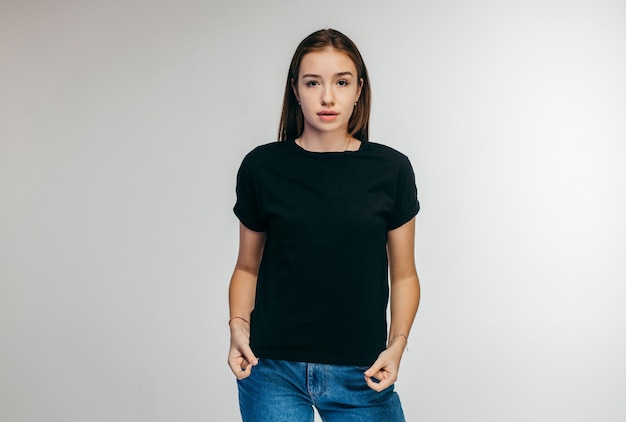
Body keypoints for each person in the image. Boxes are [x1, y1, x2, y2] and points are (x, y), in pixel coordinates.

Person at [227, 28, 420, 422]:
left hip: (362, 373)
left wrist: (397, 345)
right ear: (295, 90)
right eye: (313, 82)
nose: (327, 97)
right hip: (272, 370)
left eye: (341, 82)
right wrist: (237, 327)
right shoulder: (262, 167)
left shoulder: (391, 170)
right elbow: (247, 266)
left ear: (359, 89)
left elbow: (404, 275)